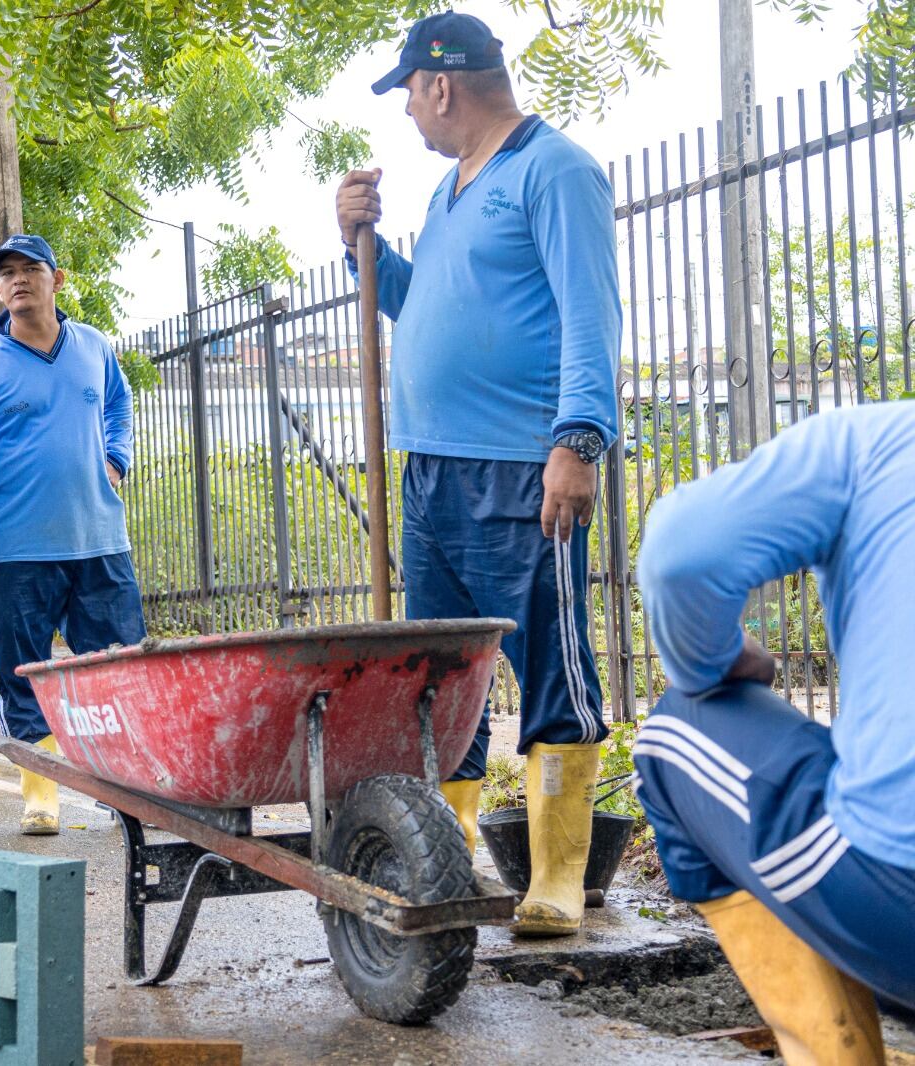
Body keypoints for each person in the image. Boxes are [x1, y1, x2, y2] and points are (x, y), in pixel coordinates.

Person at [334, 10, 621, 936]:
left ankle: (557, 877)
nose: (410, 113)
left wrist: (578, 441)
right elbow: (416, 310)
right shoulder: (449, 191)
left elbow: (590, 313)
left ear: (442, 85)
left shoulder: (554, 170)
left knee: (549, 661)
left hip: (521, 471)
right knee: (438, 676)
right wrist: (365, 248)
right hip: (433, 479)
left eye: (410, 92)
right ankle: (446, 860)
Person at [633, 402, 915, 1061]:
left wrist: (715, 661)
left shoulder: (880, 443)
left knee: (673, 735)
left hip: (897, 902)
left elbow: (680, 556)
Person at [0, 234, 144, 835]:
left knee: (118, 669)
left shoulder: (94, 347)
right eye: (6, 272)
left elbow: (118, 406)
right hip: (17, 549)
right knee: (21, 671)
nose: (18, 279)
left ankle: (126, 791)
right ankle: (41, 795)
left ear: (57, 279)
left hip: (100, 543)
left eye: (31, 268)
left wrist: (117, 455)